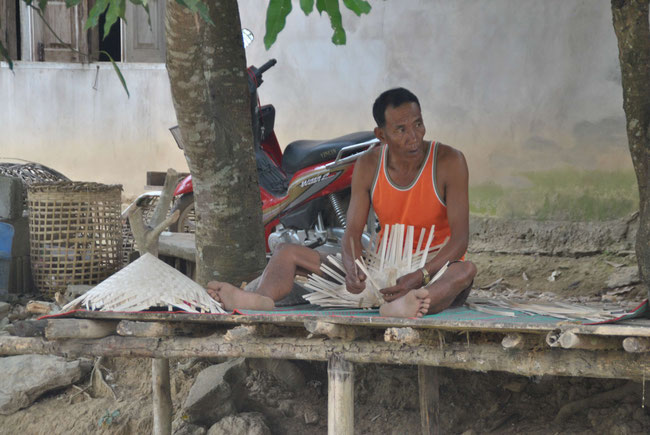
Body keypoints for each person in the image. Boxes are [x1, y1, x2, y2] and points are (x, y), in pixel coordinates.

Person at [208, 87, 476, 318]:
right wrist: (352, 268)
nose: (414, 137)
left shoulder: (449, 161)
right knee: (286, 252)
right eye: (401, 129)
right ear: (381, 135)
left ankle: (413, 301)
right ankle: (262, 299)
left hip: (434, 269)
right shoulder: (369, 164)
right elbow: (353, 231)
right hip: (381, 268)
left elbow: (459, 240)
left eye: (418, 124)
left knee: (465, 270)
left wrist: (420, 276)